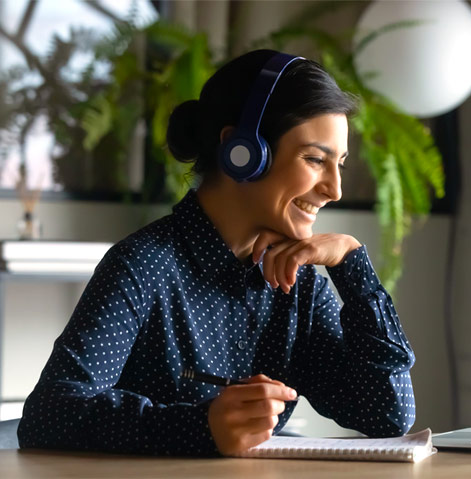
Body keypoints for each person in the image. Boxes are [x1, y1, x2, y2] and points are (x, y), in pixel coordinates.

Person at [17, 50, 416, 456]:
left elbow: (386, 414)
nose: (335, 189)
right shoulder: (144, 265)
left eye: (339, 165)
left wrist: (352, 265)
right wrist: (201, 427)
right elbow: (49, 415)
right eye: (315, 159)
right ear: (242, 153)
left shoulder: (300, 283)